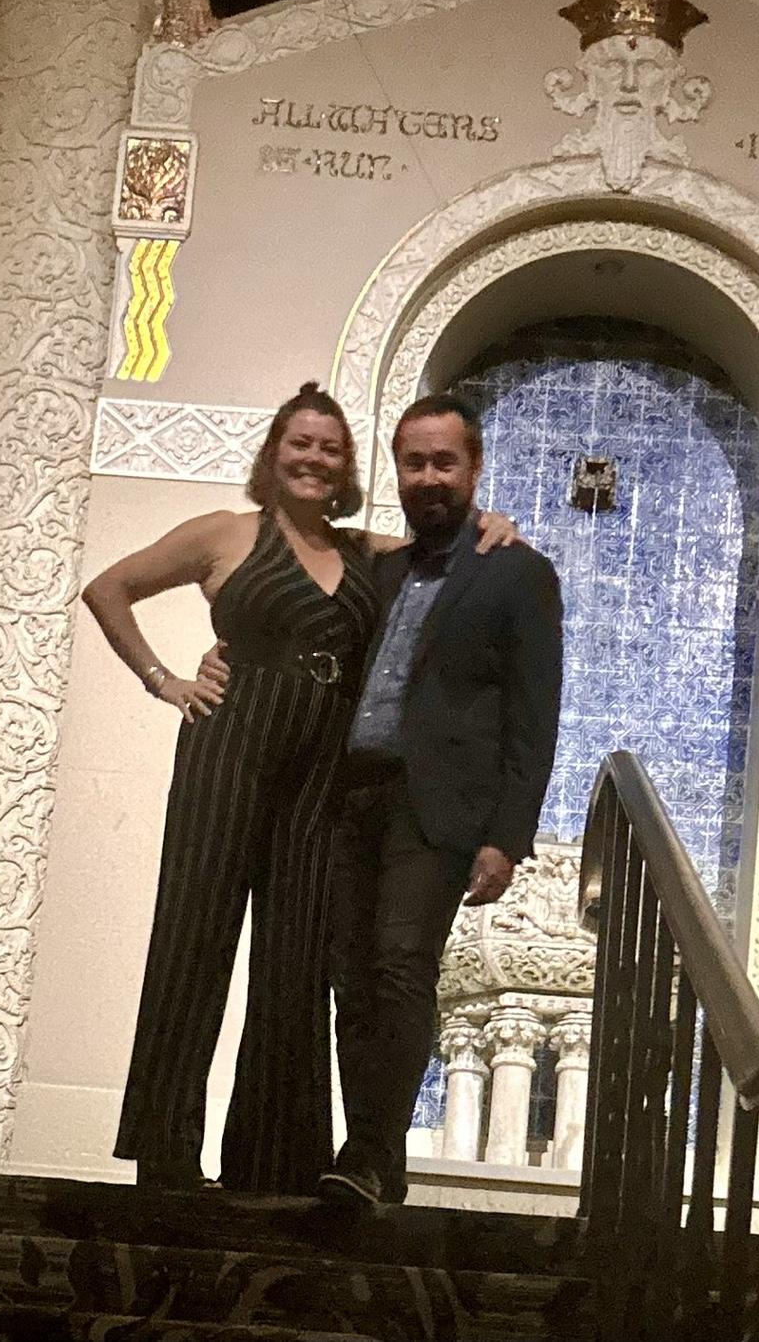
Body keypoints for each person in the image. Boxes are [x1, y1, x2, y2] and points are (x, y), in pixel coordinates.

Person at [81, 383, 518, 1195]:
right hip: (229, 748)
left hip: (322, 769)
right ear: (274, 453)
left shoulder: (365, 552)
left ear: (347, 466)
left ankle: (273, 1160)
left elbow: (446, 550)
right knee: (194, 942)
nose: (314, 458)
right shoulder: (225, 533)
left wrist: (494, 524)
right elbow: (109, 587)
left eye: (330, 448)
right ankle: (165, 1153)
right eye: (301, 443)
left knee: (294, 959)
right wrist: (165, 680)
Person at [315, 393, 564, 1211]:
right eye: (414, 462)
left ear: (474, 468)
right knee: (351, 980)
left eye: (444, 462)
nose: (429, 477)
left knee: (400, 964)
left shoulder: (518, 573)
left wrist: (507, 836)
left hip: (439, 808)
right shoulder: (380, 571)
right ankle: (377, 1162)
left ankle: (366, 1152)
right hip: (351, 798)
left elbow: (535, 714)